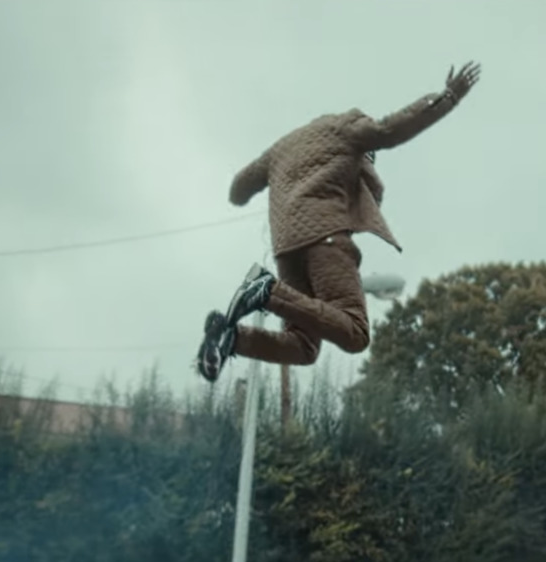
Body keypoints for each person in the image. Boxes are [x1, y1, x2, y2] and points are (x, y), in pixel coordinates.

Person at [194, 61, 482, 382]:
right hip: (326, 238)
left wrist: (251, 194)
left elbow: (238, 188)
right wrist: (447, 99)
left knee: (302, 346)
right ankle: (265, 291)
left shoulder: (282, 147)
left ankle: (230, 338)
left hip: (285, 248)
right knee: (356, 332)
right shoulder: (349, 127)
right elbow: (390, 130)